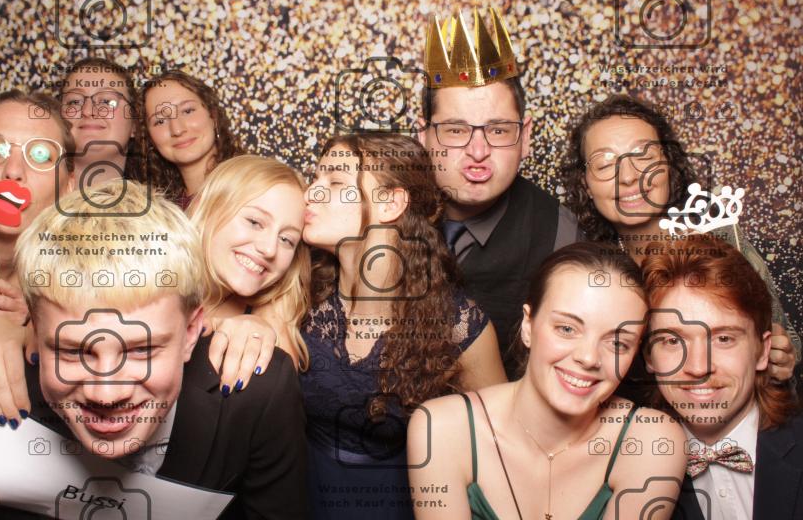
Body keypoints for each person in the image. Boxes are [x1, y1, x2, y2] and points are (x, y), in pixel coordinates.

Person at [0, 181, 308, 519]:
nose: (106, 394)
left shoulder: (257, 396)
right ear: (36, 333)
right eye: (74, 352)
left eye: (142, 351)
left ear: (191, 333)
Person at [301, 133, 506, 519]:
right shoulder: (297, 294)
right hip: (298, 497)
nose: (310, 193)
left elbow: (498, 453)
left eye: (336, 182)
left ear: (391, 203)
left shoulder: (458, 326)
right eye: (314, 179)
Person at [408, 242, 687, 520]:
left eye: (617, 343)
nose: (588, 357)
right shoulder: (441, 429)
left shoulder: (651, 442)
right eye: (567, 329)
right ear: (528, 325)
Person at [560, 94, 799, 385]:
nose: (629, 177)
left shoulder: (722, 240)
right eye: (605, 163)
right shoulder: (594, 271)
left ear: (668, 165)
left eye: (644, 156)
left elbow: (786, 341)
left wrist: (783, 357)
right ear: (586, 183)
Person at [418, 8, 582, 377]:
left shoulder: (561, 236)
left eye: (498, 130)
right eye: (456, 130)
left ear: (525, 137)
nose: (478, 152)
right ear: (423, 136)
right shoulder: (383, 212)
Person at [641, 234, 802, 519]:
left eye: (724, 338)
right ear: (649, 357)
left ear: (763, 351)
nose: (698, 367)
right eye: (673, 341)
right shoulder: (634, 475)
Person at [0, 91, 75, 428]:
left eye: (40, 155)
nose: (13, 170)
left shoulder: (74, 283)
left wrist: (33, 325)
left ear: (68, 189)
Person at [188, 155, 311, 375]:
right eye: (254, 222)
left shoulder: (271, 320)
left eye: (286, 239)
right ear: (204, 208)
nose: (269, 249)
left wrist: (268, 331)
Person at [139, 70, 242, 209]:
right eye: (160, 121)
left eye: (187, 111)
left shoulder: (254, 183)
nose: (177, 130)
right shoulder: (159, 211)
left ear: (213, 116)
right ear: (149, 138)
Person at [57, 57, 143, 186]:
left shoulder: (156, 199)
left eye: (106, 102)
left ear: (134, 124)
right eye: (74, 102)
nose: (88, 111)